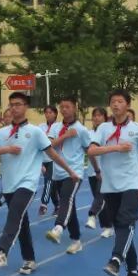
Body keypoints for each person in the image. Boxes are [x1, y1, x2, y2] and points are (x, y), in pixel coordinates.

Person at [0, 91, 75, 274]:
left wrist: (70, 171)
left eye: (18, 104)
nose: (14, 108)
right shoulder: (2, 133)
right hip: (9, 184)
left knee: (14, 215)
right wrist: (7, 149)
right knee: (21, 221)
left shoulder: (35, 132)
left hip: (27, 183)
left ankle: (1, 251)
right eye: (11, 105)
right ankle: (29, 259)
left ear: (26, 107)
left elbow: (52, 154)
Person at [89, 90, 138, 276]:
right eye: (113, 101)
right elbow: (91, 150)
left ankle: (116, 260)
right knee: (122, 228)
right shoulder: (103, 128)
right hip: (110, 185)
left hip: (133, 183)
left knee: (126, 220)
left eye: (120, 101)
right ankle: (133, 272)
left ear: (128, 105)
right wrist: (115, 148)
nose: (116, 104)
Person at [44, 96, 87, 255]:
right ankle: (76, 240)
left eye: (67, 106)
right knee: (70, 206)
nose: (64, 109)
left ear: (74, 108)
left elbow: (89, 149)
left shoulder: (81, 130)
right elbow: (49, 146)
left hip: (74, 173)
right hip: (58, 173)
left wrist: (98, 169)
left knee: (66, 198)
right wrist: (66, 136)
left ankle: (58, 228)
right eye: (62, 107)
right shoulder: (55, 127)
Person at [86, 107, 113, 237]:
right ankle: (107, 226)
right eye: (94, 116)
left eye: (99, 115)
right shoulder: (88, 134)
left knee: (100, 197)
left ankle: (92, 216)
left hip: (106, 170)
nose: (96, 118)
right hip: (92, 171)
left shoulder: (109, 133)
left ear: (105, 118)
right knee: (100, 199)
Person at [37, 105, 61, 216]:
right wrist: (39, 163)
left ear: (55, 114)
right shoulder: (40, 127)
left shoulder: (59, 127)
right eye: (46, 112)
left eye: (50, 112)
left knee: (48, 182)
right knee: (52, 186)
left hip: (54, 159)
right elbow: (37, 144)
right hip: (43, 159)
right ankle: (58, 206)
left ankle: (44, 204)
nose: (48, 114)